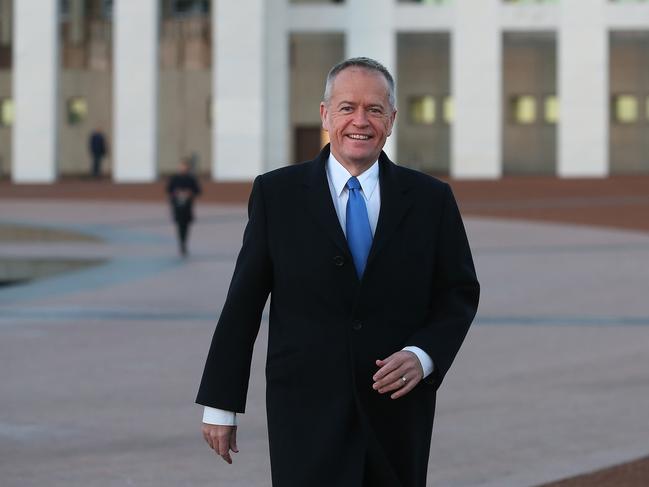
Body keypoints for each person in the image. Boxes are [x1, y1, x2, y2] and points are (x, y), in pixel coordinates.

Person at [197, 57, 479, 487]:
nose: (360, 121)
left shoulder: (431, 199)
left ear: (393, 119)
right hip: (304, 410)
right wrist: (220, 403)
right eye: (347, 108)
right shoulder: (277, 194)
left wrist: (424, 356)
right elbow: (244, 302)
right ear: (326, 114)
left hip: (396, 410)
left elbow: (458, 292)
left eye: (375, 109)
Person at [167, 158, 201, 256]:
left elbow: (198, 191)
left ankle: (184, 243)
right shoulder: (175, 178)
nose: (183, 168)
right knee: (179, 225)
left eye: (185, 167)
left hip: (187, 207)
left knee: (186, 226)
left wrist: (190, 193)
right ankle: (181, 243)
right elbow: (169, 190)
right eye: (181, 166)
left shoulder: (191, 179)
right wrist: (176, 193)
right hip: (177, 207)